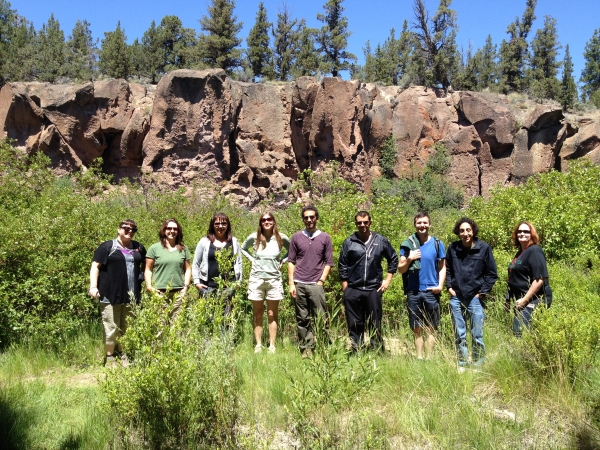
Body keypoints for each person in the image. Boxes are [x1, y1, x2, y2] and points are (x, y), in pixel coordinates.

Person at [338, 211, 398, 351]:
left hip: (373, 288)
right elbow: (342, 264)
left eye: (365, 222)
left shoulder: (380, 240)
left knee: (374, 322)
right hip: (353, 288)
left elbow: (393, 258)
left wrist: (388, 279)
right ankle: (356, 349)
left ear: (370, 222)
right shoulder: (349, 241)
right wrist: (345, 287)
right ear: (356, 224)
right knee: (354, 322)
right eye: (359, 222)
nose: (362, 225)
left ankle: (376, 350)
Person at [89, 219, 146, 366]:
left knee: (127, 328)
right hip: (110, 295)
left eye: (133, 229)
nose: (129, 232)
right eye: (126, 228)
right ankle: (110, 357)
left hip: (132, 296)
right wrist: (93, 287)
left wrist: (143, 279)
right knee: (111, 328)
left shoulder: (139, 247)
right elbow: (95, 266)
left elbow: (147, 266)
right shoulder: (107, 247)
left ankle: (124, 355)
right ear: (119, 229)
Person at [446, 217, 498, 367]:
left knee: (477, 334)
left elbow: (491, 273)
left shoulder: (484, 248)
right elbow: (447, 268)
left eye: (468, 230)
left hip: (475, 298)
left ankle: (478, 363)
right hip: (457, 297)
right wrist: (449, 287)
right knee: (459, 333)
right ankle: (462, 363)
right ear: (458, 232)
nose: (465, 233)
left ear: (473, 231)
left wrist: (481, 293)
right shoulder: (453, 248)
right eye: (462, 230)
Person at [398, 211, 446, 360]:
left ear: (429, 224)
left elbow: (443, 267)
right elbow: (401, 269)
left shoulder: (437, 243)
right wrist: (409, 258)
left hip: (431, 291)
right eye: (419, 223)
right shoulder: (408, 244)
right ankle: (419, 358)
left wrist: (440, 285)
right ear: (415, 225)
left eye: (425, 222)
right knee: (416, 328)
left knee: (430, 328)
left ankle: (429, 358)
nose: (422, 225)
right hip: (413, 291)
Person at [288, 205, 334, 357]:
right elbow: (291, 261)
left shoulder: (325, 237)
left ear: (316, 218)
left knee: (321, 317)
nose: (309, 220)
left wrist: (321, 280)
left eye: (312, 217)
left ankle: (323, 346)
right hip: (299, 283)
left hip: (316, 284)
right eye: (306, 217)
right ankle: (306, 348)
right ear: (303, 219)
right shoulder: (296, 237)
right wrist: (291, 283)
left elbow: (329, 262)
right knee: (302, 318)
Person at [241, 212, 290, 354]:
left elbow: (292, 250)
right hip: (256, 279)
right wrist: (252, 259)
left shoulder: (281, 238)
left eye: (269, 219)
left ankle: (272, 345)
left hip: (274, 279)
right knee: (258, 313)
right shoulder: (254, 237)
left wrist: (284, 260)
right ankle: (258, 344)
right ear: (260, 222)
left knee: (272, 313)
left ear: (274, 221)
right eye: (263, 220)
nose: (266, 222)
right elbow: (243, 249)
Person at [506, 221, 552, 337]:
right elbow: (514, 277)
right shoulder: (521, 252)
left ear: (532, 234)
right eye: (519, 231)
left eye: (526, 231)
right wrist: (507, 299)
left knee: (520, 332)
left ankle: (523, 355)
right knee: (521, 332)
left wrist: (524, 300)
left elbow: (539, 279)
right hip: (521, 300)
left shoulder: (535, 251)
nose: (522, 234)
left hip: (534, 300)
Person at [192, 213, 243, 316]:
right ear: (212, 225)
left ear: (228, 225)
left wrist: (238, 283)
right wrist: (197, 283)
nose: (220, 226)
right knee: (208, 321)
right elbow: (196, 263)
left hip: (229, 288)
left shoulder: (234, 241)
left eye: (224, 223)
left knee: (226, 321)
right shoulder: (204, 242)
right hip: (207, 287)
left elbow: (239, 262)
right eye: (217, 223)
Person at [145, 218, 192, 320]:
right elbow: (148, 269)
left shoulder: (183, 249)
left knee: (177, 327)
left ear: (178, 231)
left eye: (175, 229)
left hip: (179, 293)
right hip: (159, 292)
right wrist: (149, 286)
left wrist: (186, 287)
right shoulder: (154, 248)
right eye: (169, 228)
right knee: (160, 327)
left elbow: (188, 269)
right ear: (164, 230)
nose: (172, 231)